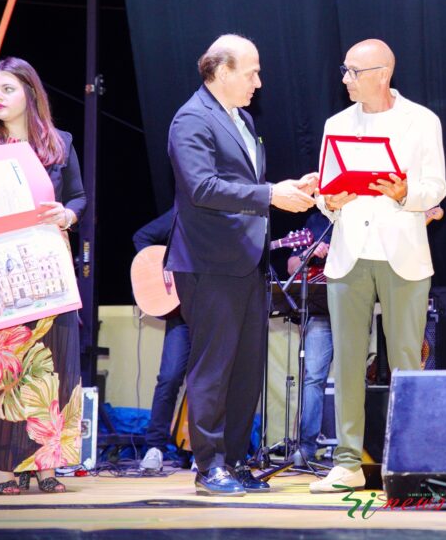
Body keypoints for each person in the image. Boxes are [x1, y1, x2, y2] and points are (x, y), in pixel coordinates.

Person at [166, 34, 317, 496]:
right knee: (213, 368)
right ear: (221, 70)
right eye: (251, 71)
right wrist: (272, 195)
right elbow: (202, 188)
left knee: (246, 369)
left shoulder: (242, 118)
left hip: (247, 262)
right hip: (210, 263)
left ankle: (233, 462)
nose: (258, 81)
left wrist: (284, 186)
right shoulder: (191, 118)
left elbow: (242, 183)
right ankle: (207, 465)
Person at [310, 39, 446, 493]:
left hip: (403, 252)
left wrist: (404, 192)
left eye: (353, 71)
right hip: (350, 253)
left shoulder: (422, 121)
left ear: (381, 74)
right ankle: (348, 461)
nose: (345, 79)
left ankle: (410, 460)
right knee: (347, 360)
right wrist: (329, 200)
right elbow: (326, 194)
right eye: (345, 71)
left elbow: (436, 187)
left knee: (406, 360)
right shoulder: (336, 124)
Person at [0, 57, 84, 495]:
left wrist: (67, 214)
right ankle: (4, 471)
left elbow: (79, 196)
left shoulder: (59, 143)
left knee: (50, 368)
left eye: (7, 89)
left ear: (30, 92)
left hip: (45, 271)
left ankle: (46, 468)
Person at [132, 207, 190, 471]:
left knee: (208, 381)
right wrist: (163, 263)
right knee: (169, 377)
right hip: (182, 313)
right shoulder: (181, 213)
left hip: (211, 310)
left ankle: (205, 452)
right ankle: (154, 447)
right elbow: (141, 237)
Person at [286, 210, 332, 464]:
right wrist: (310, 251)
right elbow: (292, 265)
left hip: (354, 305)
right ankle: (306, 448)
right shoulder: (317, 221)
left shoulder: (364, 211)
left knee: (353, 380)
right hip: (321, 310)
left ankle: (354, 450)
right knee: (313, 377)